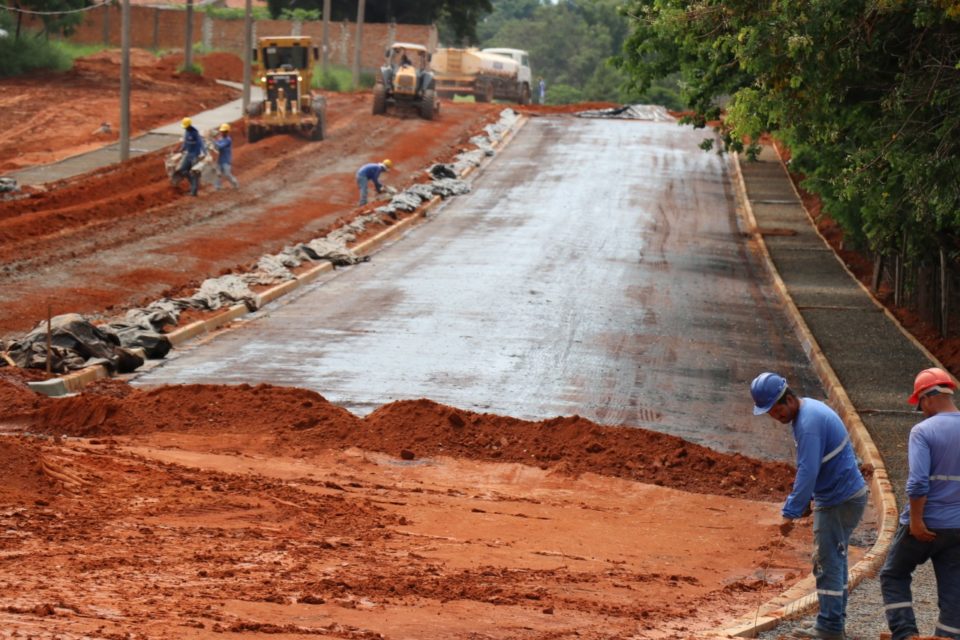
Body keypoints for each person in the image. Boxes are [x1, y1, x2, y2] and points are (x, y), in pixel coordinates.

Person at [750, 372, 867, 640]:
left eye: (775, 410)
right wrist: (808, 501)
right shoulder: (808, 412)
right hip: (841, 495)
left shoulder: (808, 423)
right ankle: (832, 624)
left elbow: (808, 470)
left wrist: (790, 511)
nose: (773, 416)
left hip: (839, 499)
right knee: (833, 559)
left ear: (788, 399)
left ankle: (829, 628)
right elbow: (818, 465)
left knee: (827, 562)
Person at [880, 367, 960, 640]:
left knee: (894, 574)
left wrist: (916, 521)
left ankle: (906, 634)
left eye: (921, 405)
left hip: (925, 522)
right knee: (954, 592)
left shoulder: (923, 431)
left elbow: (917, 483)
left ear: (927, 398)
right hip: (957, 527)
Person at [176, 117, 205, 197]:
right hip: (188, 154)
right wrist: (182, 149)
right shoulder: (186, 132)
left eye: (186, 126)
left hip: (195, 155)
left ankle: (194, 192)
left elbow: (200, 144)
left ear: (189, 125)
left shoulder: (195, 133)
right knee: (183, 170)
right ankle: (193, 184)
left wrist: (203, 153)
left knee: (194, 172)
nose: (185, 128)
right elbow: (185, 143)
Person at [213, 123, 239, 191]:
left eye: (223, 131)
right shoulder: (221, 139)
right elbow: (216, 146)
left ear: (227, 132)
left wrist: (214, 141)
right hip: (220, 160)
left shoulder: (228, 140)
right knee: (218, 174)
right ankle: (217, 187)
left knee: (227, 174)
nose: (222, 132)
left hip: (226, 160)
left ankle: (235, 183)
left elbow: (220, 146)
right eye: (222, 131)